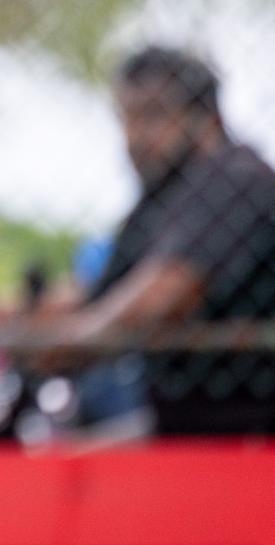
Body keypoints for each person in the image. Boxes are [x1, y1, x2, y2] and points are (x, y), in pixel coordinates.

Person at [43, 47, 275, 434]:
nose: (133, 137)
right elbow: (96, 296)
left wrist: (61, 347)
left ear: (206, 121)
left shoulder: (236, 179)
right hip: (180, 425)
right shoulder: (162, 198)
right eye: (125, 118)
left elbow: (161, 296)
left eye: (152, 116)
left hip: (250, 429)